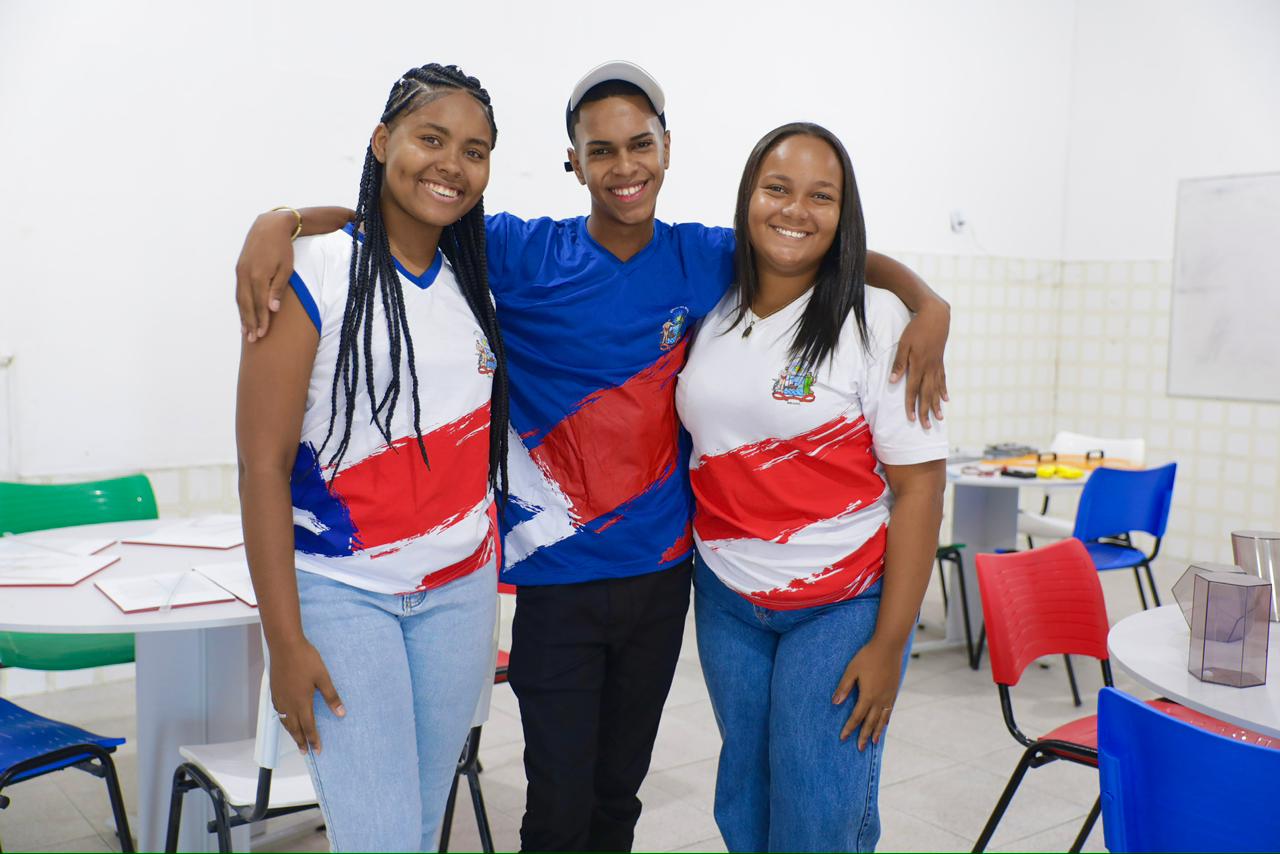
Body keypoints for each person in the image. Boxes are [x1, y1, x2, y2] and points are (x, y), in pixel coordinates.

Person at [232, 61, 950, 852]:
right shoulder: (520, 251)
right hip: (556, 582)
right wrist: (282, 221)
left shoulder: (704, 257)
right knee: (558, 804)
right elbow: (404, 214)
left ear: (668, 150)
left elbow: (823, 249)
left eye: (640, 144)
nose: (623, 166)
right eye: (600, 149)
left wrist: (926, 301)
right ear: (573, 161)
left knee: (618, 799)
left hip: (662, 577)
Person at [235, 63, 508, 852]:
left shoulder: (477, 281)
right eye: (431, 139)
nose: (452, 164)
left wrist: (283, 217)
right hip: (342, 597)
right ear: (383, 141)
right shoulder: (312, 271)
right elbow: (261, 467)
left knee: (417, 831)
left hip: (460, 596)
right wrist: (284, 643)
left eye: (475, 151)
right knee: (380, 838)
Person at [675, 123, 948, 852]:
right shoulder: (715, 304)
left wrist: (890, 643)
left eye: (821, 196)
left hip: (840, 606)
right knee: (744, 798)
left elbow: (921, 491)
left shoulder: (876, 320)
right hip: (727, 596)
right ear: (748, 196)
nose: (795, 210)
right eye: (777, 189)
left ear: (842, 212)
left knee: (817, 813)